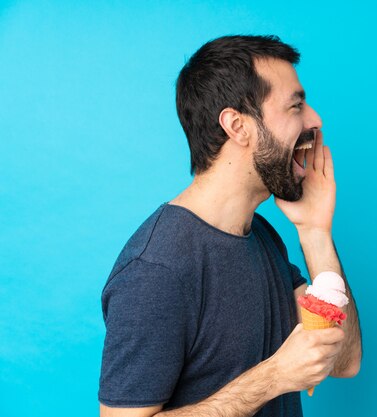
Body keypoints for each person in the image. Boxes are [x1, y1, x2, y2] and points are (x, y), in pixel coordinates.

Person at [98, 35, 362, 417]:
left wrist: (315, 231)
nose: (315, 120)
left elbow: (344, 360)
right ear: (237, 126)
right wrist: (273, 377)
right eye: (296, 106)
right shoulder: (157, 270)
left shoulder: (261, 236)